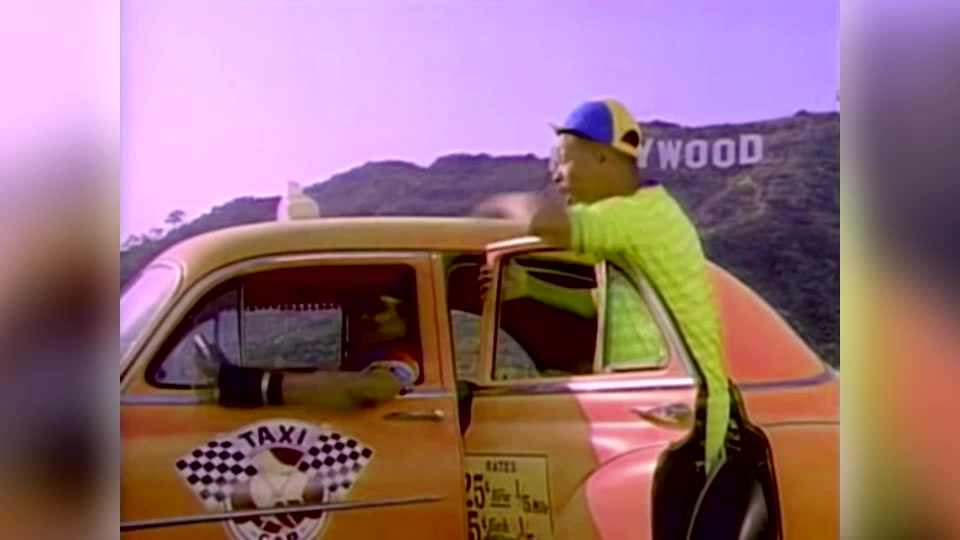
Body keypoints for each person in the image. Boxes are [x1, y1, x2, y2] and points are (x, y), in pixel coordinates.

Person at [474, 98, 731, 475]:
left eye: (563, 160)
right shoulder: (641, 213)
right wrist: (529, 287)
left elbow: (547, 224)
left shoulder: (634, 215)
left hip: (684, 410)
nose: (556, 175)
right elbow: (598, 303)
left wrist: (501, 202)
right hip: (669, 403)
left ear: (601, 157)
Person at [206, 294, 421, 410]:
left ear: (405, 318)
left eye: (375, 311)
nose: (364, 318)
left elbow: (371, 389)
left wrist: (256, 385)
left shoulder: (403, 357)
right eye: (362, 311)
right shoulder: (362, 355)